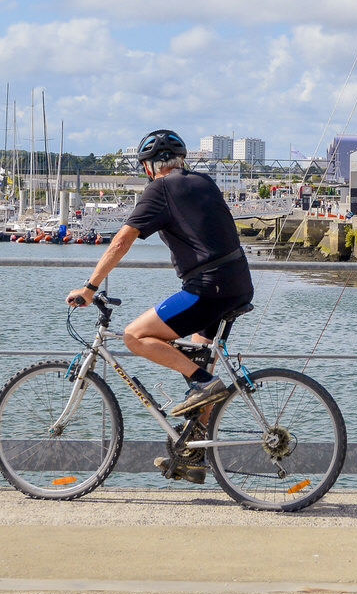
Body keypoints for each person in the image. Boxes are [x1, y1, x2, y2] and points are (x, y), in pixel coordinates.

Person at [67, 129, 252, 483]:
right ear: (181, 160)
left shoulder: (160, 188)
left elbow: (122, 240)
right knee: (198, 356)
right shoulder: (204, 181)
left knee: (135, 336)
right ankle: (192, 457)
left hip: (207, 287)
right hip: (237, 285)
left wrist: (91, 287)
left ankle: (203, 384)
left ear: (150, 167)